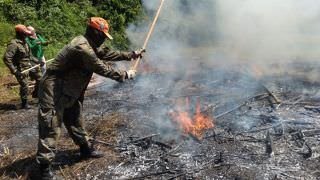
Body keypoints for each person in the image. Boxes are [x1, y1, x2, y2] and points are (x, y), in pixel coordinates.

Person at [36, 17, 144, 179]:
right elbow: (99, 66)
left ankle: (85, 150)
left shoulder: (90, 44)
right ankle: (44, 169)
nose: (103, 39)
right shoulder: (82, 47)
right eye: (102, 35)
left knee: (75, 118)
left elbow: (106, 53)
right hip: (55, 87)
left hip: (70, 87)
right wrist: (125, 75)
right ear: (95, 32)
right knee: (51, 124)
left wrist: (130, 55)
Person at [3, 24, 42, 109]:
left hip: (29, 65)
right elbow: (6, 58)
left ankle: (36, 94)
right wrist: (14, 71)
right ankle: (24, 103)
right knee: (25, 85)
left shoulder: (25, 42)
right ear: (20, 33)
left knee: (40, 79)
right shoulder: (14, 44)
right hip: (20, 68)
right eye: (25, 34)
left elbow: (29, 56)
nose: (27, 35)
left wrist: (38, 62)